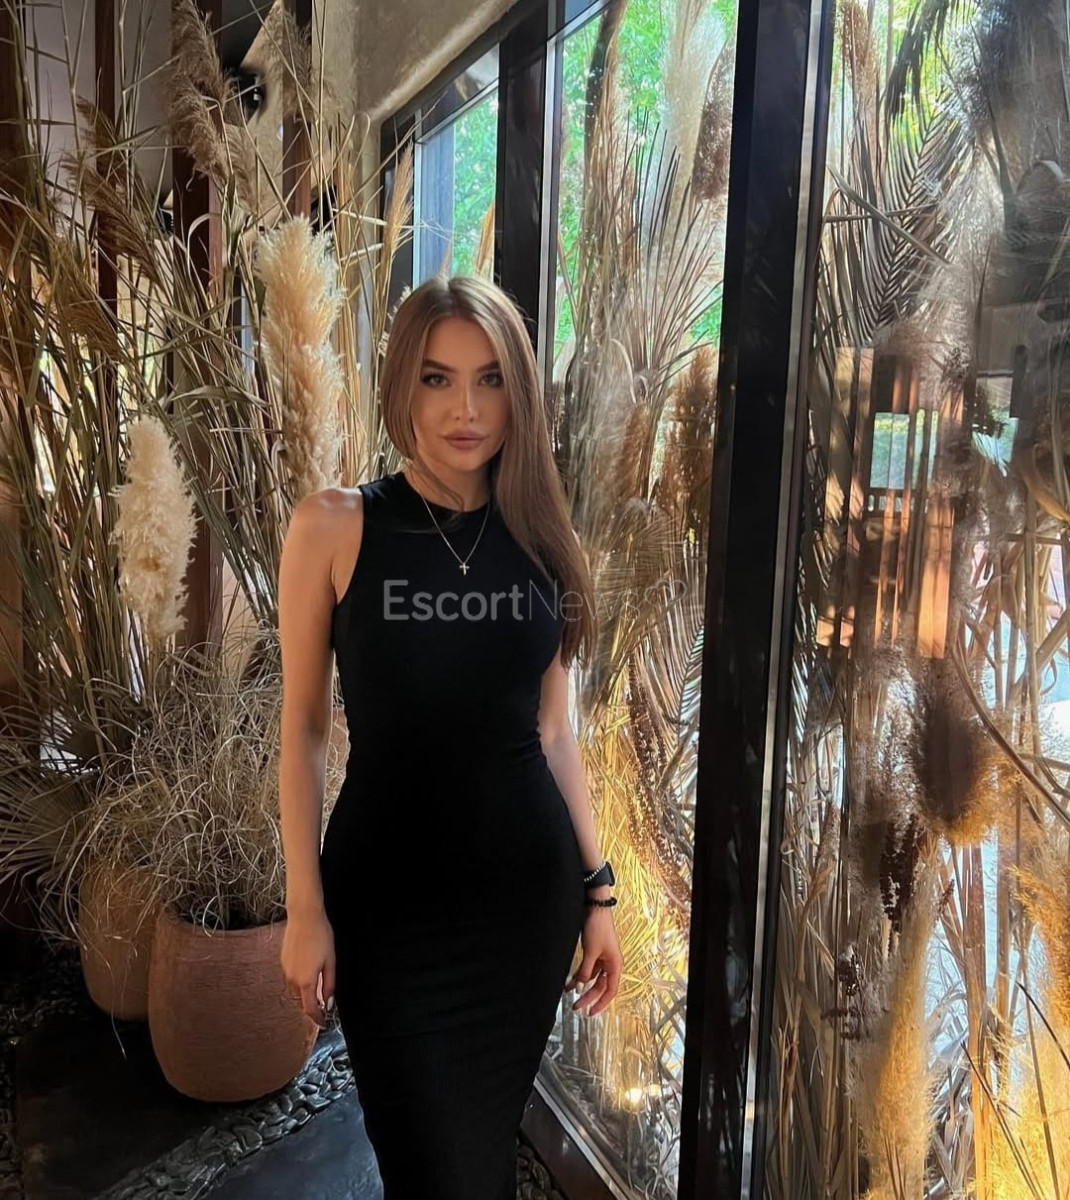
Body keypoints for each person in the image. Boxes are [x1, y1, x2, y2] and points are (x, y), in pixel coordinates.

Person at [277, 272, 624, 1199]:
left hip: (523, 910)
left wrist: (598, 890)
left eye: (489, 379)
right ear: (403, 383)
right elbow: (303, 730)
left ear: (519, 393)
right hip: (388, 914)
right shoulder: (335, 526)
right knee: (431, 1165)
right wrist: (304, 907)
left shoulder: (540, 536)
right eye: (438, 378)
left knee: (476, 1159)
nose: (465, 409)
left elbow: (554, 732)